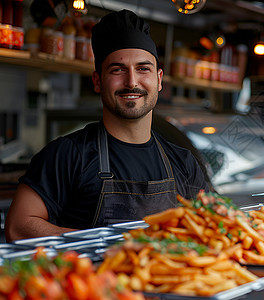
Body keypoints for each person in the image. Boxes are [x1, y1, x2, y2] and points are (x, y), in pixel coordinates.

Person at [5, 9, 209, 242]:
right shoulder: (67, 155)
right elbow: (19, 227)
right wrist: (111, 244)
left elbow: (208, 226)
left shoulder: (183, 163)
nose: (132, 82)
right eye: (117, 70)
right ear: (97, 81)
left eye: (143, 69)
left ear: (159, 80)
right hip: (94, 277)